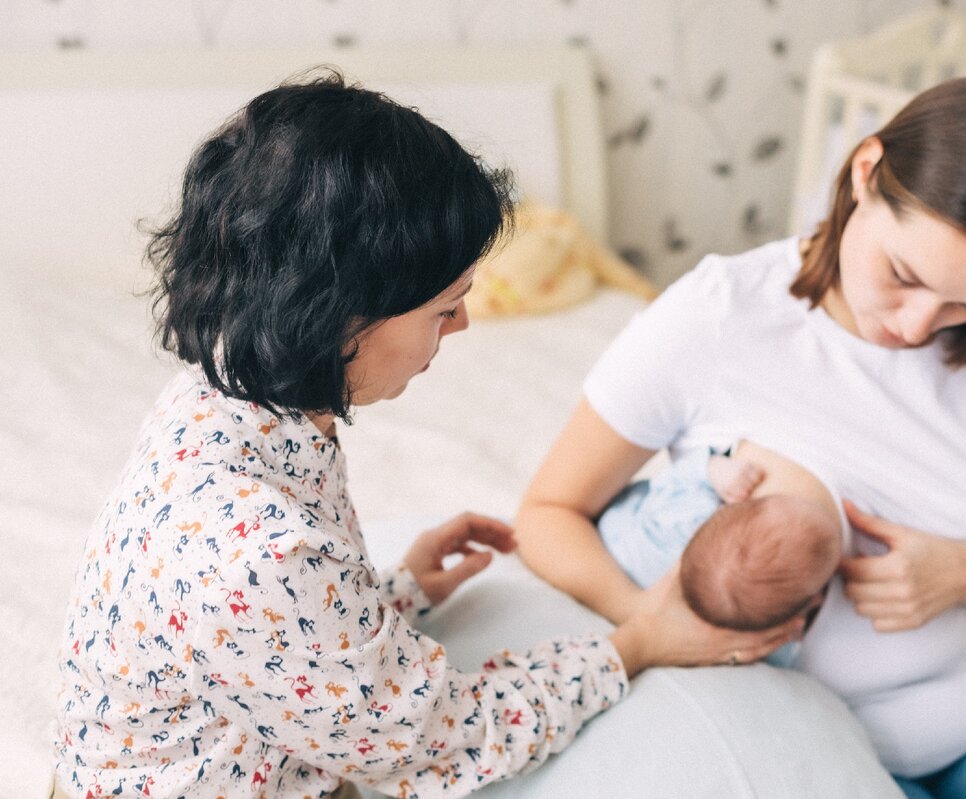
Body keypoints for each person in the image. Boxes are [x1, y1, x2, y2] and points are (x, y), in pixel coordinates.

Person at [51, 71, 810, 799]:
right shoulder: (257, 548)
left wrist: (399, 590)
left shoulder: (224, 395)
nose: (465, 324)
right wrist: (638, 643)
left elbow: (271, 652)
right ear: (339, 315)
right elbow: (434, 740)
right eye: (445, 309)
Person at [515, 77, 966, 798]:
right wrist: (651, 623)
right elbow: (547, 513)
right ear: (866, 171)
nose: (917, 326)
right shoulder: (718, 315)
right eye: (903, 274)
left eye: (965, 303)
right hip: (791, 723)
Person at [597, 441, 841, 634]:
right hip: (616, 536)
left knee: (659, 501)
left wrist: (713, 469)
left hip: (618, 538)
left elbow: (671, 481)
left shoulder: (685, 515)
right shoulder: (772, 634)